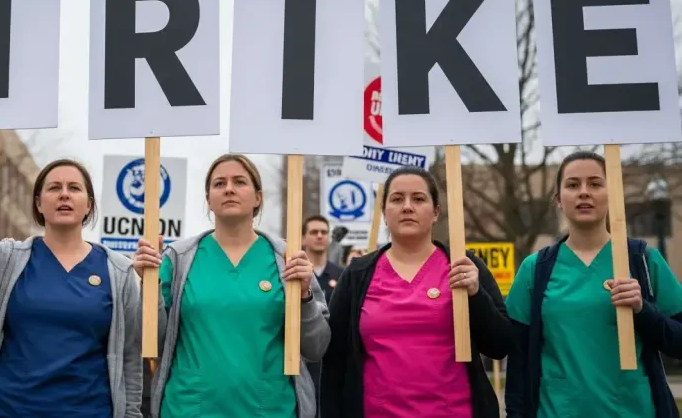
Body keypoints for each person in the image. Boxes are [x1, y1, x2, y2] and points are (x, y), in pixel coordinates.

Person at [0, 156, 143, 418]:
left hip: (88, 411)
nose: (64, 195)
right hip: (10, 410)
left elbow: (130, 355)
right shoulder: (9, 258)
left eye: (74, 188)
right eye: (54, 188)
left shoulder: (118, 269)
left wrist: (132, 414)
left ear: (88, 205)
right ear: (38, 203)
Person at [133, 153, 331, 418]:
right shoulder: (178, 259)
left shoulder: (288, 258)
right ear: (208, 201)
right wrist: (150, 285)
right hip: (189, 409)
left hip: (269, 409)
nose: (229, 189)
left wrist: (305, 296)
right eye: (219, 184)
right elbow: (151, 343)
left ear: (258, 198)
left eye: (239, 182)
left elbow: (316, 347)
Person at [320, 166, 510, 418]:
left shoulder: (464, 266)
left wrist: (476, 295)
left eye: (418, 199)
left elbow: (500, 345)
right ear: (384, 213)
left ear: (435, 212)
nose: (407, 206)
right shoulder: (357, 274)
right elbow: (334, 361)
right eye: (397, 199)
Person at [504, 151, 682, 418]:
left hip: (633, 410)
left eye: (595, 184)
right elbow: (517, 356)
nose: (584, 192)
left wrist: (643, 310)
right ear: (559, 200)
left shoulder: (642, 260)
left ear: (613, 195)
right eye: (573, 185)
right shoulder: (535, 269)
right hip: (556, 411)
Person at [301, 214, 342, 418]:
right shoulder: (293, 275)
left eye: (324, 232)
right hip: (303, 364)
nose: (319, 236)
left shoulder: (342, 275)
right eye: (314, 232)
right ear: (303, 238)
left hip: (332, 364)